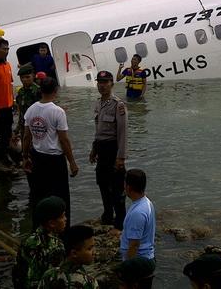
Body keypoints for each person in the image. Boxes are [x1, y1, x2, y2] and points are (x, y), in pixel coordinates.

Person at [22, 77, 79, 226]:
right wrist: (72, 162)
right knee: (60, 199)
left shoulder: (31, 109)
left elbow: (26, 136)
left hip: (37, 157)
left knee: (38, 197)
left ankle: (38, 229)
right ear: (56, 90)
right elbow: (64, 140)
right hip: (54, 160)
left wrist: (25, 157)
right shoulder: (57, 112)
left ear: (40, 90)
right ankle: (62, 232)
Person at [90, 70, 127, 229]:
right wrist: (94, 149)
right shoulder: (98, 103)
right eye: (100, 82)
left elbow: (123, 132)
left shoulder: (118, 104)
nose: (102, 85)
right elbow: (98, 128)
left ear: (112, 83)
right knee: (102, 183)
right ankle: (107, 215)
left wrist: (121, 157)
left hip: (113, 148)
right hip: (101, 148)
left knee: (117, 187)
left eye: (105, 82)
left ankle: (120, 220)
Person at [12, 196, 67, 289]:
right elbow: (53, 277)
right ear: (52, 223)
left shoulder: (29, 239)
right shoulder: (56, 246)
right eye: (62, 216)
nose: (66, 219)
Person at [38, 225, 98, 289]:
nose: (94, 252)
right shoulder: (88, 282)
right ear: (74, 253)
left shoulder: (49, 275)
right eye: (89, 248)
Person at [119, 169, 155, 272]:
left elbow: (134, 245)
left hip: (139, 261)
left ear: (129, 187)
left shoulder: (138, 212)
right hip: (146, 257)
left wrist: (126, 266)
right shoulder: (146, 202)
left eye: (125, 184)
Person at [15, 64, 42, 138]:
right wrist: (17, 128)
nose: (24, 80)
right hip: (24, 125)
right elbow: (20, 111)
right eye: (22, 77)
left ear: (33, 76)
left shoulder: (38, 91)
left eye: (27, 77)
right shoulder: (20, 92)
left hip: (37, 126)